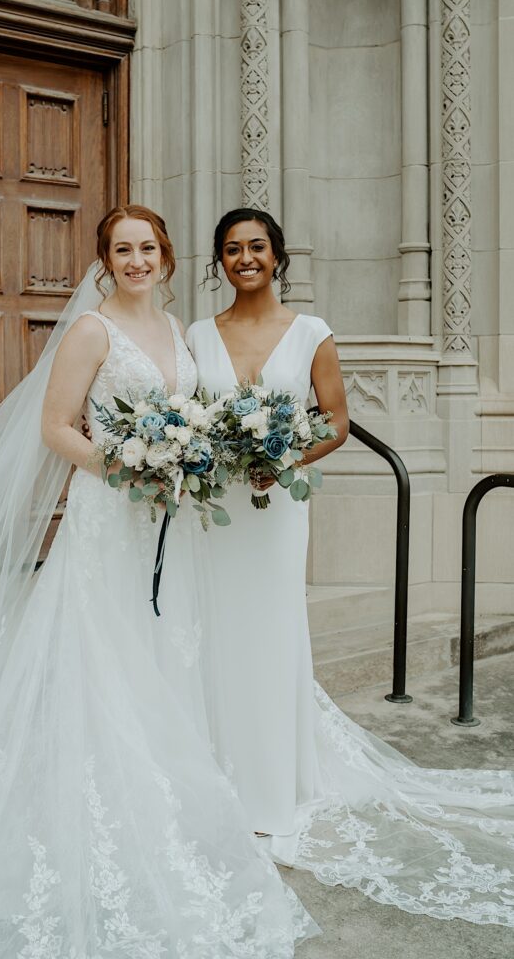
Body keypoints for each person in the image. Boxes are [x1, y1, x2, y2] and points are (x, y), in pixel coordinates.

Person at [0, 206, 317, 957]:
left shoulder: (177, 328)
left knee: (165, 647)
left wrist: (180, 463)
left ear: (165, 257)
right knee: (105, 653)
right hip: (109, 517)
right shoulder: (92, 331)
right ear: (104, 259)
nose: (136, 261)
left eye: (147, 248)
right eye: (122, 250)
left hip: (168, 524)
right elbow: (57, 427)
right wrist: (131, 465)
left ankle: (170, 796)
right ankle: (103, 805)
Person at [186, 207, 514, 927]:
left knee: (270, 638)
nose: (244, 258)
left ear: (277, 258)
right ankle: (216, 780)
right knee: (214, 637)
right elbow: (187, 418)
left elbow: (332, 421)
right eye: (232, 249)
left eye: (256, 248)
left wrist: (282, 459)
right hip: (213, 519)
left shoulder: (310, 334)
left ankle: (271, 791)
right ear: (218, 261)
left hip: (273, 515)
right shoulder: (195, 335)